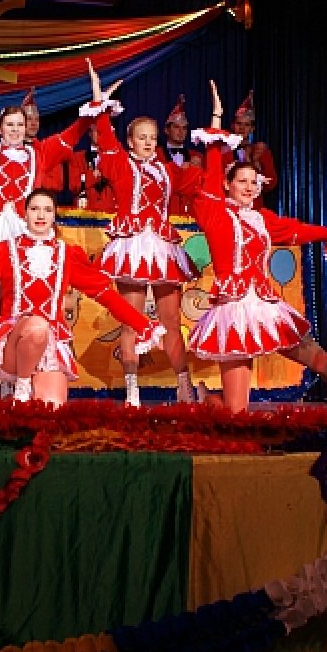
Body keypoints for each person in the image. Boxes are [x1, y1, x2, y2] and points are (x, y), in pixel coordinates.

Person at [0, 189, 165, 405]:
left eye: (47, 210)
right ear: (25, 213)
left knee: (51, 409)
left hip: (49, 345)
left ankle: (28, 391)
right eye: (34, 209)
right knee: (37, 326)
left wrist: (145, 326)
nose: (40, 215)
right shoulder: (4, 250)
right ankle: (21, 386)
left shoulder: (67, 255)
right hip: (13, 341)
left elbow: (106, 296)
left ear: (55, 216)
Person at [188, 80, 327, 413]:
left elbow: (295, 230)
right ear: (227, 185)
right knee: (237, 411)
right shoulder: (214, 212)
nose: (250, 187)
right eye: (242, 181)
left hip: (266, 306)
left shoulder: (262, 218)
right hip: (234, 311)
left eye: (254, 182)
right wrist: (217, 120)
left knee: (320, 360)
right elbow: (210, 173)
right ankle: (209, 401)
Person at [0, 66, 94, 397]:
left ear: (27, 128)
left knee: (18, 306)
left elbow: (69, 139)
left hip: (26, 235)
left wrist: (91, 113)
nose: (14, 130)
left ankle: (18, 377)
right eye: (9, 125)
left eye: (20, 125)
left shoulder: (39, 153)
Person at [86, 62, 200, 406]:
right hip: (133, 247)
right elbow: (105, 138)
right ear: (130, 141)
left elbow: (197, 185)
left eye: (152, 137)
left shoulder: (167, 170)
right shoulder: (120, 165)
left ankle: (184, 387)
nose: (149, 143)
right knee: (131, 321)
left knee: (171, 321)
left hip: (163, 248)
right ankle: (132, 391)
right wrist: (99, 101)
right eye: (142, 137)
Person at [221, 90, 277, 210]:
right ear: (232, 125)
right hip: (228, 207)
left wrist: (255, 162)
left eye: (246, 125)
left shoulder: (261, 152)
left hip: (254, 208)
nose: (242, 128)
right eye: (239, 124)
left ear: (252, 129)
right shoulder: (223, 151)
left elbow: (271, 184)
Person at [159, 94, 202, 216]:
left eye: (184, 128)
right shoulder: (156, 154)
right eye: (176, 127)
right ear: (166, 130)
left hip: (188, 214)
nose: (181, 131)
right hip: (164, 211)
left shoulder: (197, 157)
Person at [67, 124, 117, 213]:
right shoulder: (76, 157)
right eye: (98, 130)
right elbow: (73, 186)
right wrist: (93, 175)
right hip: (83, 213)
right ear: (90, 133)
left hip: (112, 213)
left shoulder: (120, 159)